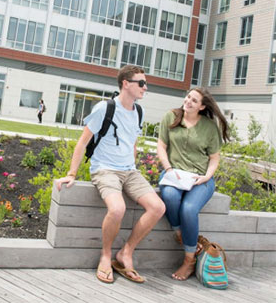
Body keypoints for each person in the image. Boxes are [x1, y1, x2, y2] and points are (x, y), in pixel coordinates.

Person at [56, 65, 165, 284]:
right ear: (126, 83)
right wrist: (71, 173)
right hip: (105, 169)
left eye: (146, 83)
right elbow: (83, 142)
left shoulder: (139, 111)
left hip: (129, 171)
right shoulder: (104, 108)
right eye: (141, 83)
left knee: (158, 207)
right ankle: (106, 256)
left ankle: (125, 252)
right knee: (117, 209)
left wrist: (132, 165)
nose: (145, 88)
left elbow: (132, 142)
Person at [157, 87, 229, 281]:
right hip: (174, 174)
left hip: (200, 179)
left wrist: (206, 176)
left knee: (189, 209)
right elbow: (161, 146)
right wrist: (169, 169)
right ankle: (180, 233)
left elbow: (214, 158)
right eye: (188, 97)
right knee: (170, 196)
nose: (188, 101)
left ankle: (189, 260)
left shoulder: (209, 127)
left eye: (194, 100)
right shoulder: (171, 117)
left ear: (202, 106)